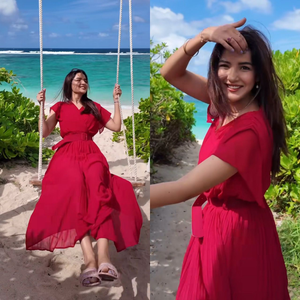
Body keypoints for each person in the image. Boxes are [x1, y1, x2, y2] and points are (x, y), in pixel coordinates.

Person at [150, 18, 290, 299]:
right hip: (217, 222)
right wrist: (204, 36)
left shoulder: (249, 131)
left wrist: (127, 195)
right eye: (225, 65)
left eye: (245, 68)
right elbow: (170, 73)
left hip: (234, 234)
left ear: (259, 75)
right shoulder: (226, 105)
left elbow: (182, 190)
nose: (232, 76)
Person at [26, 68, 143, 287]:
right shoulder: (59, 107)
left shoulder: (94, 107)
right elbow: (44, 131)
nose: (83, 82)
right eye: (79, 79)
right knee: (76, 192)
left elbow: (116, 127)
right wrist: (40, 107)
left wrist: (116, 101)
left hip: (91, 154)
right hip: (66, 155)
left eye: (85, 80)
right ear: (69, 83)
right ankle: (89, 260)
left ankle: (105, 260)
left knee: (102, 191)